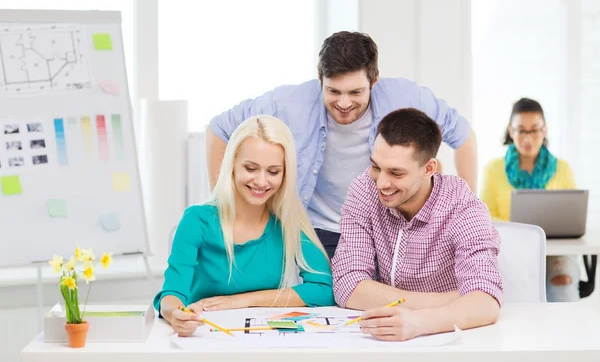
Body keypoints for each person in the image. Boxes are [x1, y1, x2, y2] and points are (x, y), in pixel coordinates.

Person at [208, 31, 478, 258]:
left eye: (356, 92)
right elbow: (219, 129)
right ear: (320, 80)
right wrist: (224, 206)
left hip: (384, 231)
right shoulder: (289, 103)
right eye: (333, 91)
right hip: (316, 231)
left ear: (374, 81)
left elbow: (464, 138)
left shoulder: (407, 97)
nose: (344, 103)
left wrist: (469, 211)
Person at [154, 115, 334, 337]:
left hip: (261, 341)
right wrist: (176, 315)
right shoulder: (196, 220)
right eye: (251, 168)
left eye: (273, 171)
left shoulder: (289, 223)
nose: (261, 181)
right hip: (203, 337)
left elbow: (323, 289)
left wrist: (241, 301)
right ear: (232, 166)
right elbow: (172, 294)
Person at [331, 108, 502, 342]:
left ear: (429, 169)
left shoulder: (462, 205)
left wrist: (419, 321)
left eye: (396, 173)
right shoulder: (363, 190)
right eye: (376, 166)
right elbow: (347, 285)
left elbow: (485, 302)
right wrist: (453, 300)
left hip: (449, 337)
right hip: (386, 336)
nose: (381, 183)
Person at [480, 98, 580, 302]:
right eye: (521, 130)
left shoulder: (563, 169)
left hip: (555, 252)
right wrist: (524, 232)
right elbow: (485, 216)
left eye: (534, 130)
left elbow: (572, 217)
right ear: (511, 131)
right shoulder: (493, 170)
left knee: (563, 280)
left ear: (544, 131)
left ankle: (565, 333)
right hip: (509, 251)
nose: (528, 138)